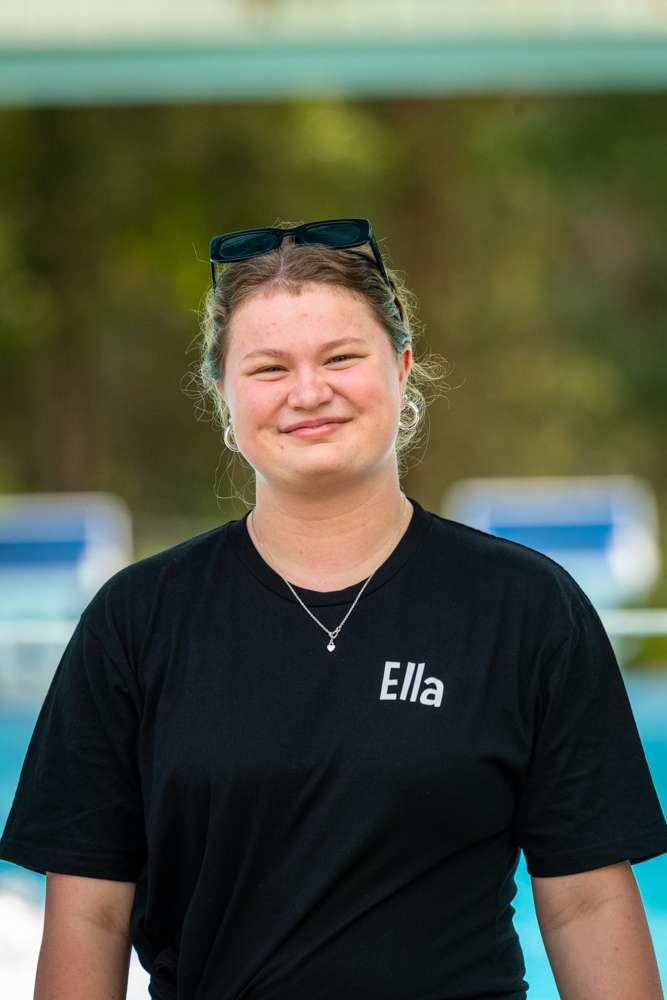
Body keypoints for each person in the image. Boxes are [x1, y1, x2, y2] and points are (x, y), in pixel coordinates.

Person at [1, 217, 666, 1000]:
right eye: (268, 368)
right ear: (223, 394)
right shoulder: (136, 619)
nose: (308, 392)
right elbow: (89, 917)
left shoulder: (524, 606)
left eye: (341, 357)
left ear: (402, 367)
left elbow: (586, 900)